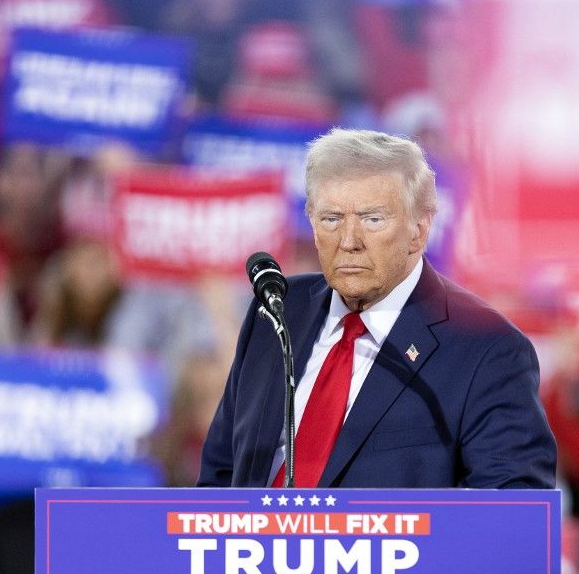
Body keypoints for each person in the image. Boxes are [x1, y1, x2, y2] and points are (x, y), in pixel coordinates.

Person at [197, 128, 556, 490]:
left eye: (372, 220)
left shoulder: (486, 349)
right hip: (256, 547)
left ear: (419, 229)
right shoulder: (277, 312)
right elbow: (218, 479)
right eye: (331, 219)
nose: (349, 241)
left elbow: (511, 515)